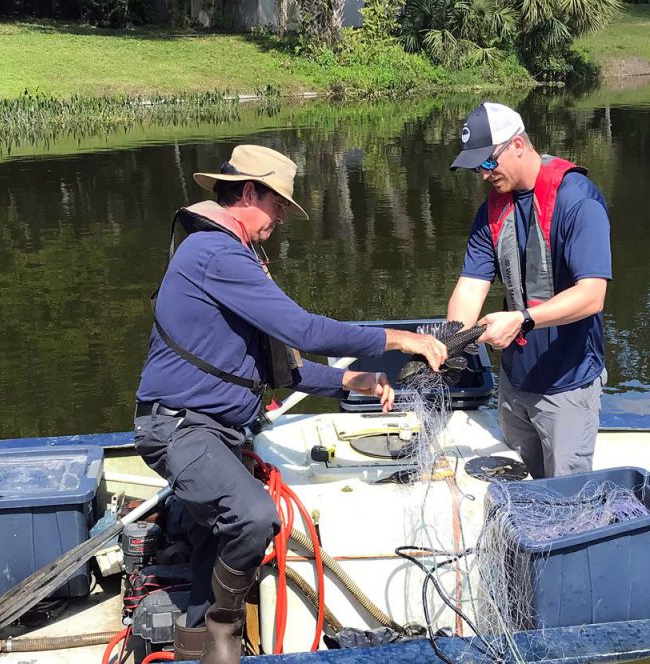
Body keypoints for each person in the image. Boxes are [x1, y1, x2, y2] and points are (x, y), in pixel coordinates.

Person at [133, 144, 447, 664]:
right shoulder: (216, 255)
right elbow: (303, 328)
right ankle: (222, 629)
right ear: (249, 192)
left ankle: (193, 646)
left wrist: (353, 381)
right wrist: (402, 339)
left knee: (219, 540)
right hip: (181, 429)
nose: (282, 216)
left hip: (216, 433)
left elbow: (287, 368)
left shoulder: (229, 255)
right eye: (278, 203)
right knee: (254, 517)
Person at [444, 102, 613, 480]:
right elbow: (471, 286)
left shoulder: (578, 200)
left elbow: (592, 295)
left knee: (567, 500)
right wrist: (446, 344)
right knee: (526, 488)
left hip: (567, 385)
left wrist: (522, 319)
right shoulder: (493, 209)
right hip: (514, 381)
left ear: (517, 145)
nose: (483, 176)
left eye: (488, 163)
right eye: (477, 168)